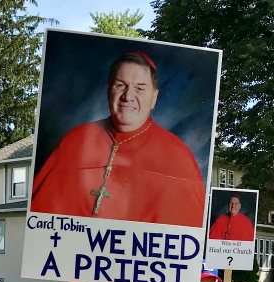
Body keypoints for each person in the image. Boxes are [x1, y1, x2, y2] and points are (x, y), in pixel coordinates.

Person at [31, 51, 206, 227]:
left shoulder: (177, 156)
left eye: (139, 88)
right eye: (120, 85)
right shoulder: (75, 140)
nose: (128, 96)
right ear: (109, 90)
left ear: (153, 98)